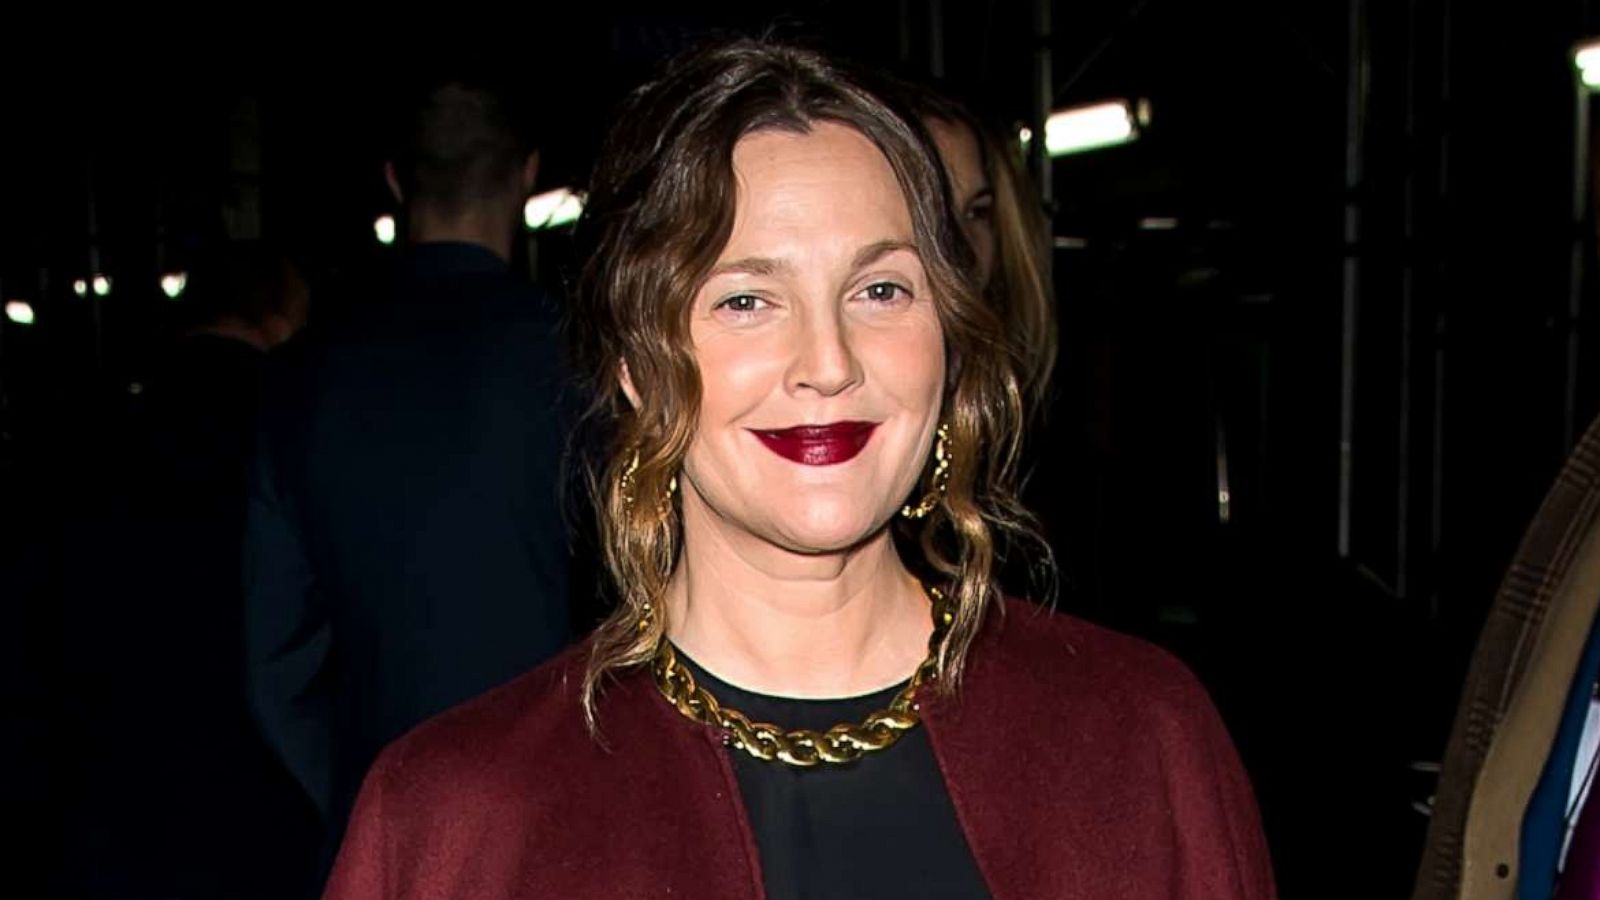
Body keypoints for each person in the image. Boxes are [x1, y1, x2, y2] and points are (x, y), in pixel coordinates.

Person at [325, 40, 1275, 900]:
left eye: (880, 289)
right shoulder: (456, 820)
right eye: (746, 299)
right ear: (632, 364)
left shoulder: (1139, 739)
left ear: (948, 341)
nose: (829, 362)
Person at [242, 75, 571, 854]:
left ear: (396, 182)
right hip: (558, 810)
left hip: (383, 823)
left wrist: (362, 798)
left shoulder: (302, 376)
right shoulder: (583, 358)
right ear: (526, 177)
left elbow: (274, 661)